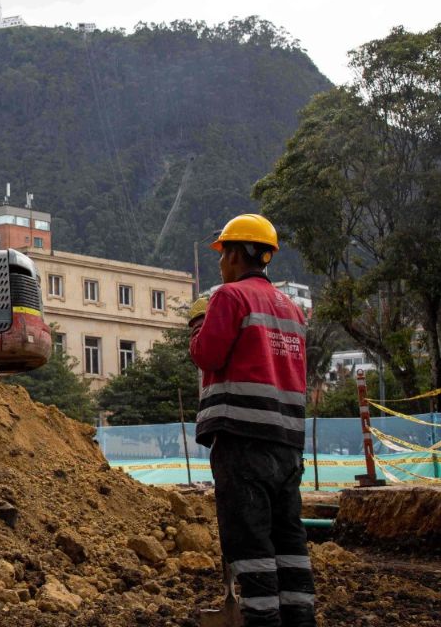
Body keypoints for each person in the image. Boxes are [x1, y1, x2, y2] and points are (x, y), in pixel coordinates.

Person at [188, 214, 316, 627]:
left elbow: (206, 355)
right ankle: (300, 618)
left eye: (223, 253)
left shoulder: (229, 297)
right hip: (288, 442)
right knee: (288, 537)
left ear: (238, 254)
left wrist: (198, 328)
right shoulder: (293, 310)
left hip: (242, 438)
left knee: (250, 539)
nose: (220, 263)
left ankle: (261, 620)